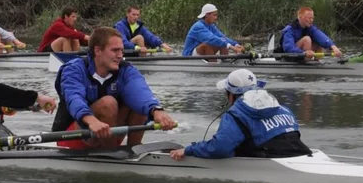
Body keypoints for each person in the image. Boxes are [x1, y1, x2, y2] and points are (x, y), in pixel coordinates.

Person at [53, 26, 178, 148]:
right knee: (108, 103)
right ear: (98, 51)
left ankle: (133, 148)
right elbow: (74, 98)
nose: (120, 55)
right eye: (115, 50)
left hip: (106, 133)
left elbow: (140, 91)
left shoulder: (125, 69)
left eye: (121, 50)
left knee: (139, 105)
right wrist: (91, 120)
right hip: (71, 136)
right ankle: (112, 153)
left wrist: (156, 110)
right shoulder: (73, 69)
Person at [168, 69, 311, 160]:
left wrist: (189, 150)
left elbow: (220, 148)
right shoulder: (283, 108)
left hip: (272, 161)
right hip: (301, 152)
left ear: (231, 94)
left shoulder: (236, 115)